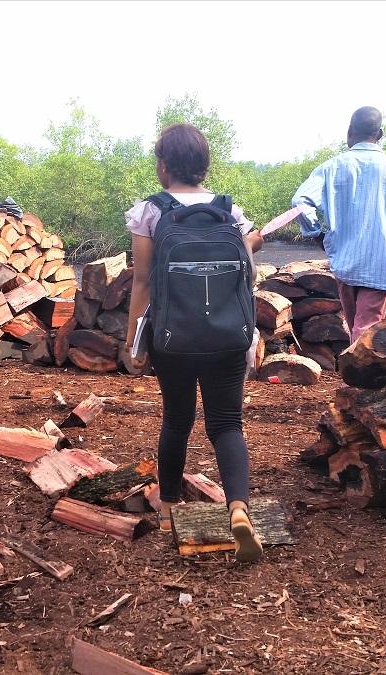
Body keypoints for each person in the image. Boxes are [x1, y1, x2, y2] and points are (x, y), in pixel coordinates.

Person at [124, 123, 264, 563]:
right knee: (226, 423)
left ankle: (169, 509)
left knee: (177, 419)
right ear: (205, 166)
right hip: (227, 335)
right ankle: (238, 509)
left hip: (174, 337)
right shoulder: (231, 212)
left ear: (164, 167)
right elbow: (249, 277)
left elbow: (143, 281)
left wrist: (133, 343)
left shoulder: (150, 212)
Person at [291, 107, 386, 341]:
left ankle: (355, 375)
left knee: (357, 327)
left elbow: (300, 202)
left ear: (349, 133)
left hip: (345, 262)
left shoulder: (332, 167)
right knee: (366, 330)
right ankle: (358, 376)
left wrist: (318, 235)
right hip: (382, 261)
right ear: (379, 134)